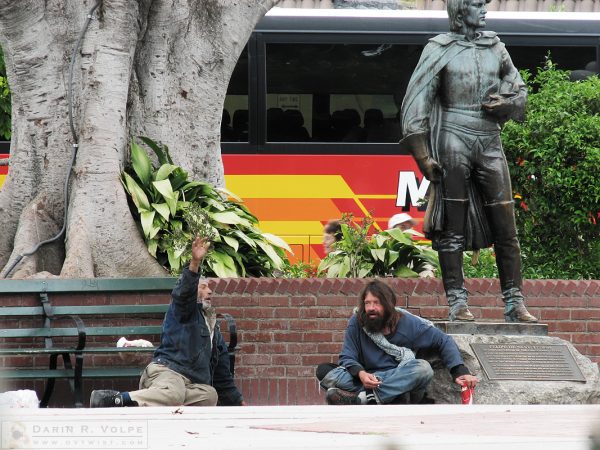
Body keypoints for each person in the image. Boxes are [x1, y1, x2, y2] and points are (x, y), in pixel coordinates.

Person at [400, 0, 537, 323]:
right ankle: (457, 302)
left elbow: (520, 91)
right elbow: (417, 101)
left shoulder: (496, 47)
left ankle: (515, 302)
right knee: (453, 225)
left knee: (507, 225)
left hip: (489, 138)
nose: (484, 10)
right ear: (461, 11)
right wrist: (422, 155)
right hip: (453, 137)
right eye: (477, 4)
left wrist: (507, 101)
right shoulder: (439, 48)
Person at [90, 237, 245, 407]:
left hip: (190, 384)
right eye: (203, 287)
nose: (209, 292)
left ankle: (154, 403)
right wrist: (194, 263)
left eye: (209, 288)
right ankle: (116, 400)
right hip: (166, 372)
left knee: (209, 395)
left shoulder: (213, 328)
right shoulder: (183, 310)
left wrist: (240, 404)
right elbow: (184, 292)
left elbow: (222, 374)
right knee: (174, 393)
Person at [318, 280, 478, 405]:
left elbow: (443, 340)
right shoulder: (358, 321)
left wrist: (459, 370)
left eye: (376, 303)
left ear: (388, 305)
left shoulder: (409, 324)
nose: (371, 308)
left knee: (423, 369)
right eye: (367, 303)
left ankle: (364, 397)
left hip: (398, 374)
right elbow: (347, 356)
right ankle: (386, 396)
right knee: (324, 370)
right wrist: (362, 374)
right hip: (368, 377)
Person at [388, 213, 435, 278]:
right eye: (403, 226)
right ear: (391, 231)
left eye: (410, 228)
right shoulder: (385, 252)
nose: (408, 231)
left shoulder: (419, 251)